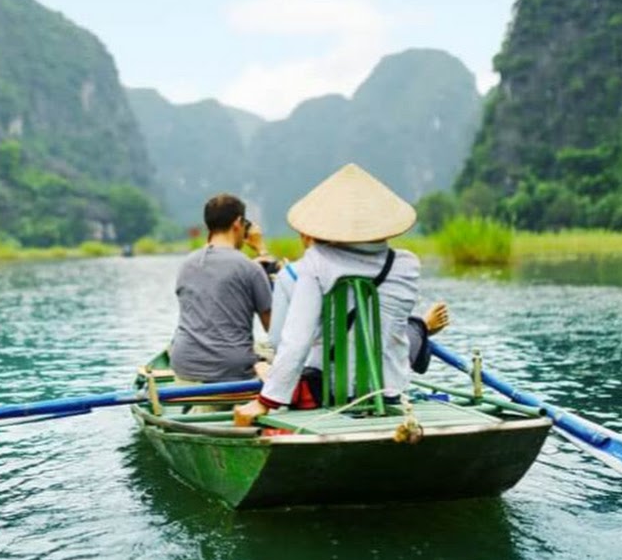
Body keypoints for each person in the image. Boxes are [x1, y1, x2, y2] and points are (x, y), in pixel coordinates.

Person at [234, 164, 421, 426]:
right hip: (392, 392)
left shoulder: (316, 263)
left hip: (331, 394)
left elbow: (296, 340)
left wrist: (265, 402)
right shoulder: (408, 265)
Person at [268, 235, 450, 370]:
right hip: (384, 382)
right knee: (399, 330)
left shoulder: (291, 275)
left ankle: (421, 326)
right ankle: (422, 326)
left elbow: (278, 342)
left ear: (306, 237)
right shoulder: (403, 265)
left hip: (319, 383)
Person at [170, 193, 272, 385]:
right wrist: (262, 250)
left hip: (184, 366)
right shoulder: (250, 268)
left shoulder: (187, 264)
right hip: (233, 371)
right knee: (273, 356)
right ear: (239, 223)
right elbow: (273, 331)